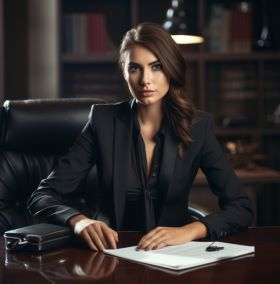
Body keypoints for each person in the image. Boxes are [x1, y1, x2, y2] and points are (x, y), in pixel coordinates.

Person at [27, 22, 253, 251]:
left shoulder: (198, 126)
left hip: (175, 255)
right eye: (135, 68)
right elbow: (43, 196)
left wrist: (190, 231)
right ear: (124, 72)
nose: (145, 80)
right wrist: (79, 222)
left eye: (156, 67)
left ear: (171, 68)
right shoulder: (103, 122)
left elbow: (241, 208)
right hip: (109, 252)